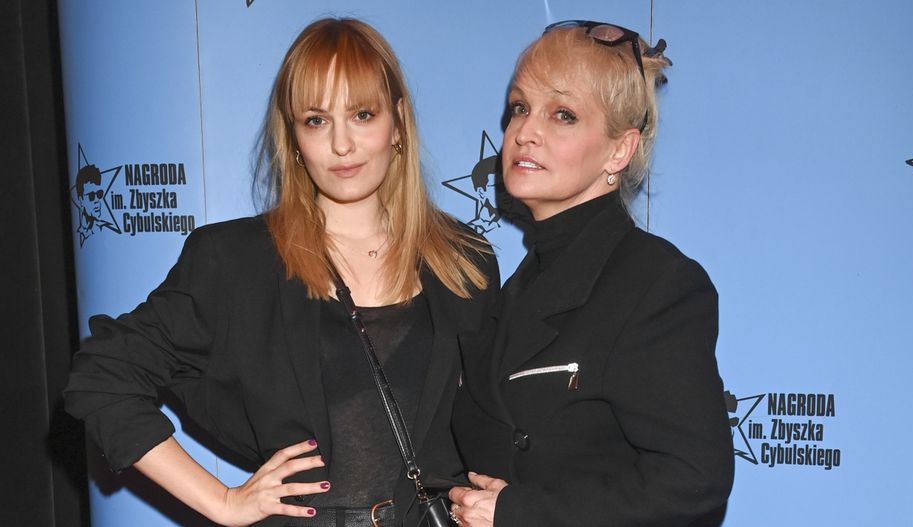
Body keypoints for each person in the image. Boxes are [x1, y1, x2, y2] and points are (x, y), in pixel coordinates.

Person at [65, 18, 498, 527]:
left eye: (362, 114)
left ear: (397, 123)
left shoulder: (463, 259)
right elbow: (102, 377)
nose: (342, 144)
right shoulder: (237, 261)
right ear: (293, 135)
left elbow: (502, 421)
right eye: (316, 120)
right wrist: (223, 502)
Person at [449, 21, 733, 527]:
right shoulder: (510, 289)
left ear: (619, 150)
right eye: (520, 107)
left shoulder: (656, 284)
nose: (525, 132)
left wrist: (521, 513)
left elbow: (693, 481)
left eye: (563, 114)